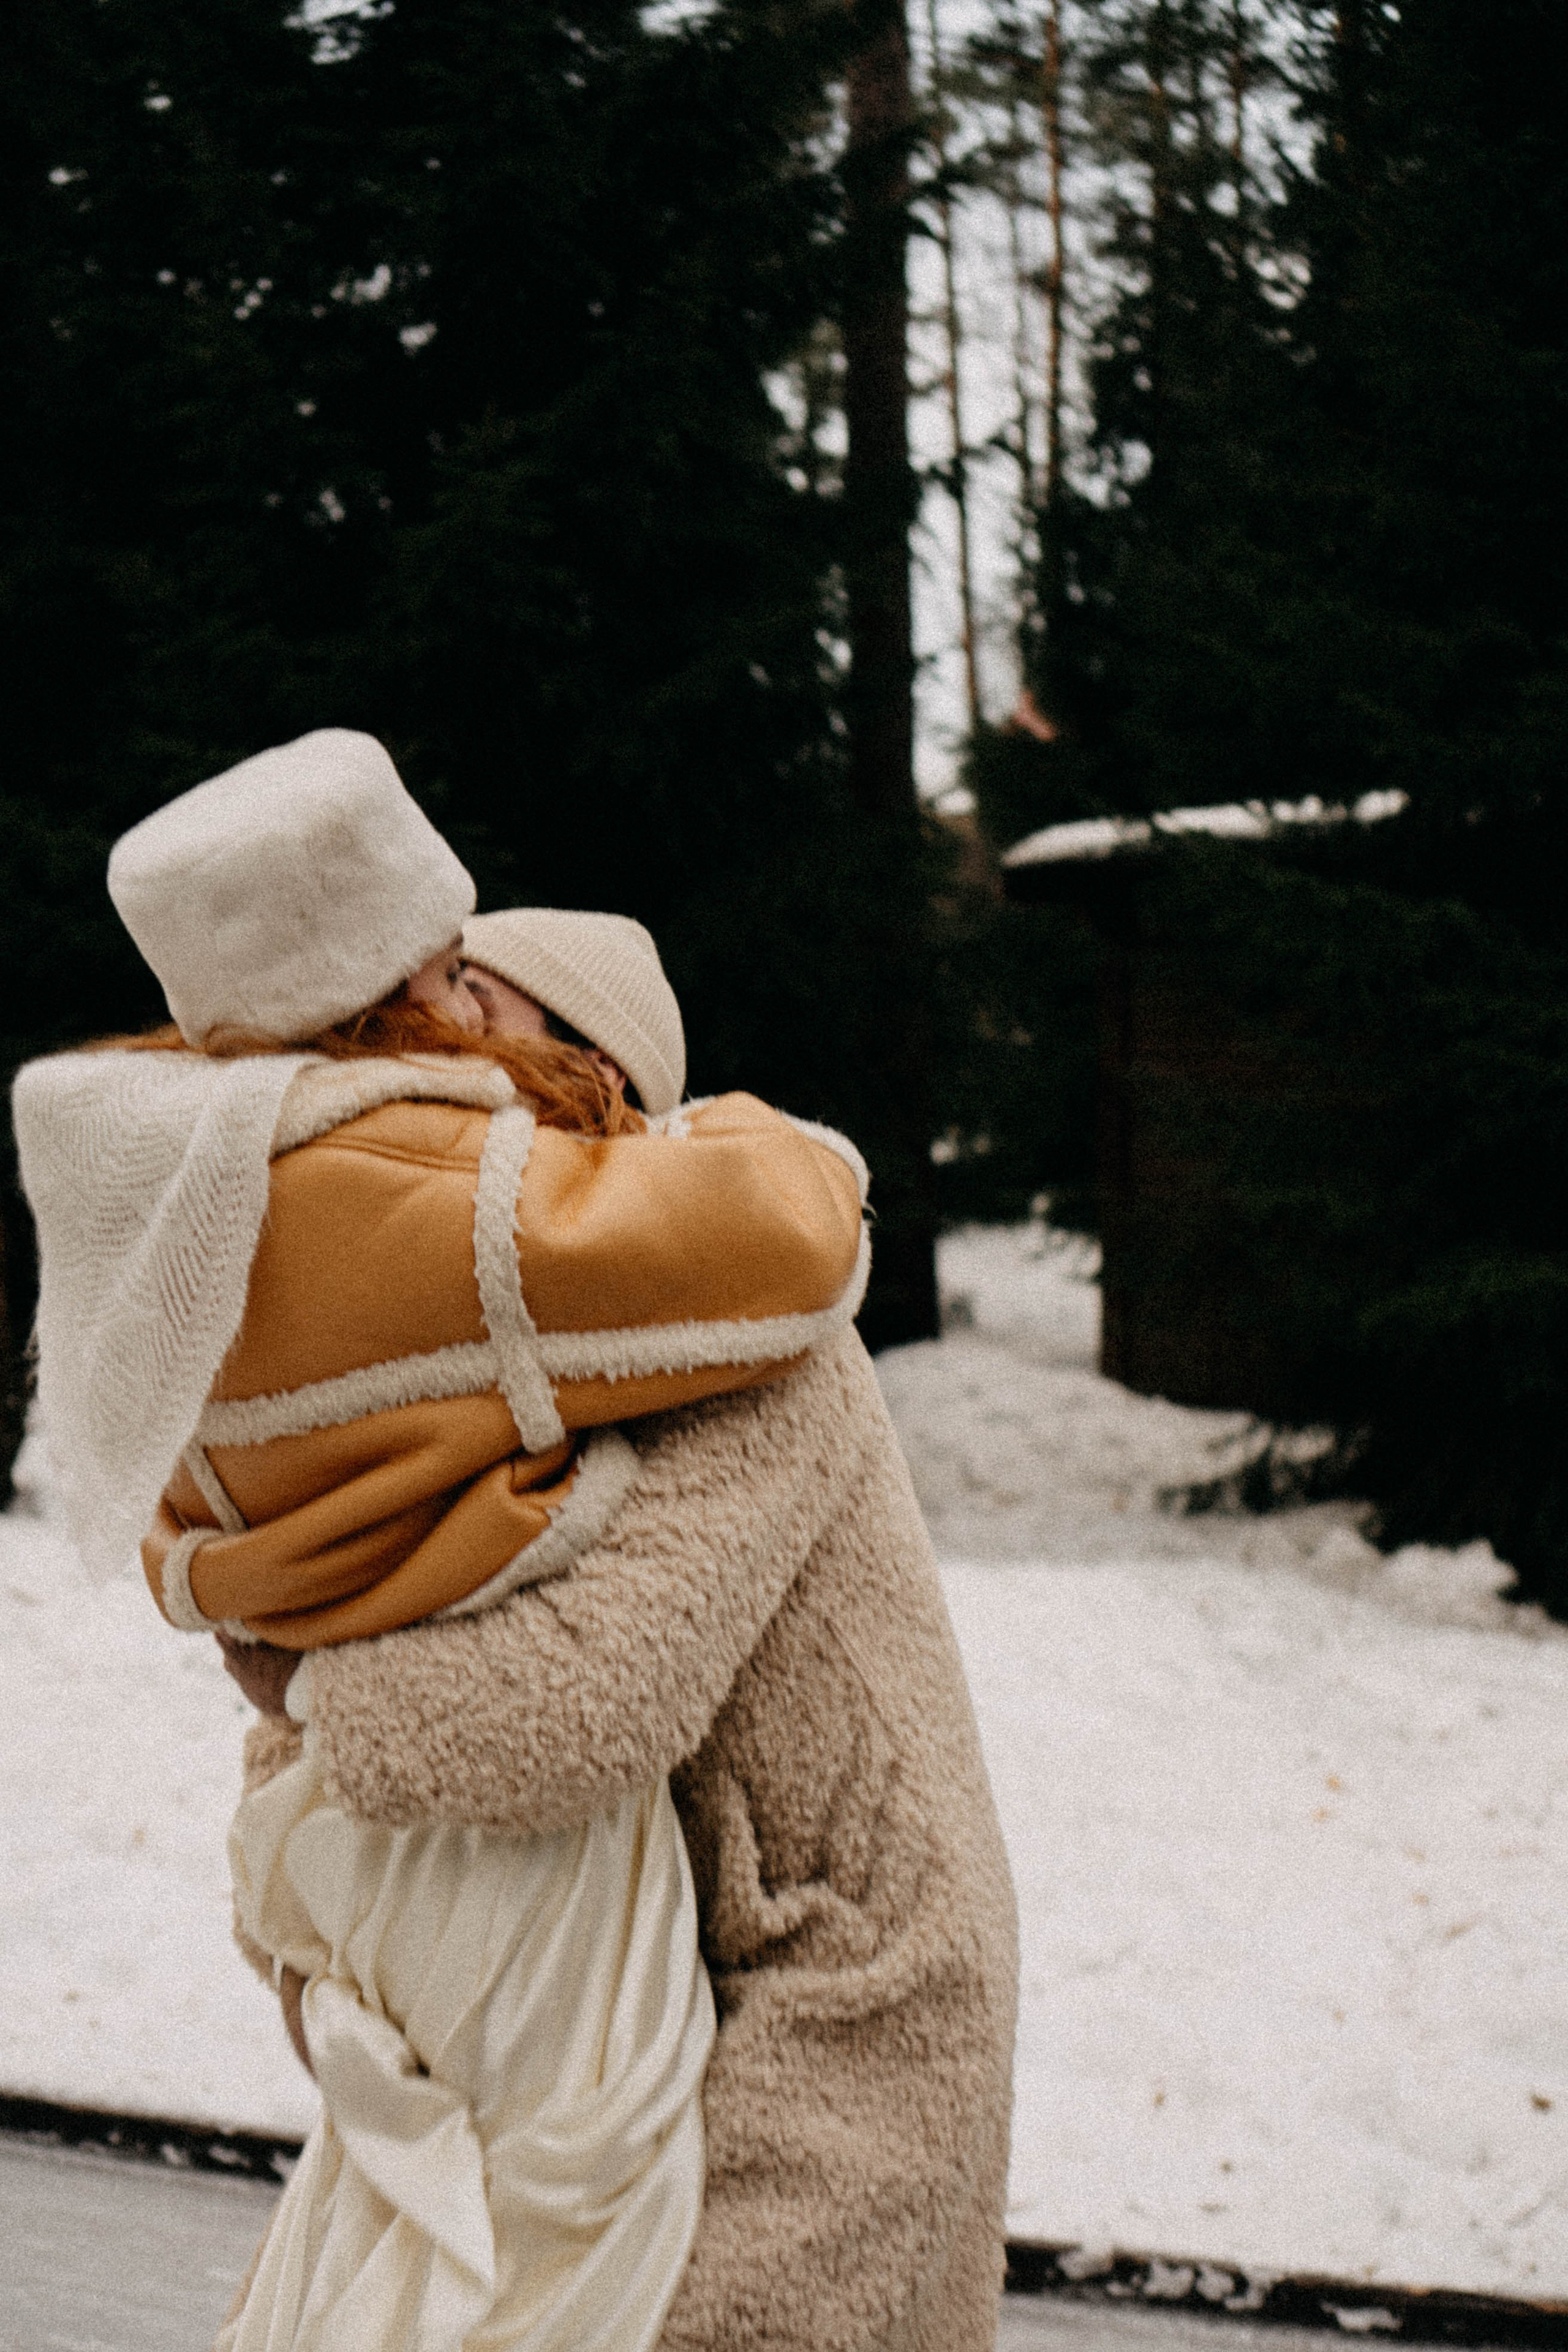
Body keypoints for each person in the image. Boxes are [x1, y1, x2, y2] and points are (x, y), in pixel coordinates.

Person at [11, 729, 869, 2352]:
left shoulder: (172, 1194)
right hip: (516, 1865)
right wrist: (742, 1132)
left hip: (337, 1833)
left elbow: (174, 1542)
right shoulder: (442, 1198)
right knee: (560, 2250)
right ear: (391, 976)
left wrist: (291, 1644)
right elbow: (802, 1239)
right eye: (451, 966)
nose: (477, 1000)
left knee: (385, 2227)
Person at [228, 905, 1021, 2352]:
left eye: (477, 1004)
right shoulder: (522, 1352)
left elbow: (579, 1708)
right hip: (632, 2043)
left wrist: (301, 1688)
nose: (431, 1048)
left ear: (584, 1076)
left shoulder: (754, 1346)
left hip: (844, 2017)